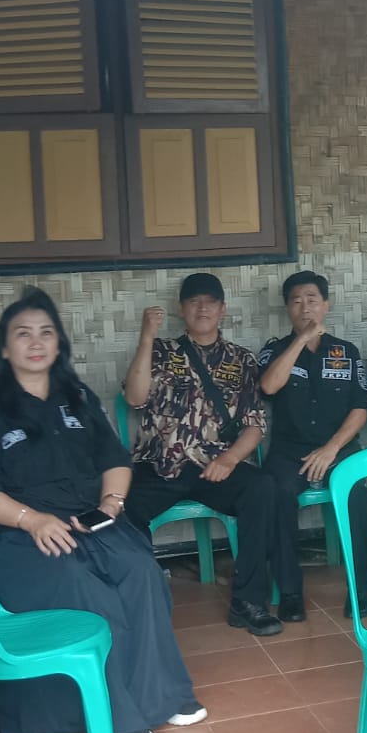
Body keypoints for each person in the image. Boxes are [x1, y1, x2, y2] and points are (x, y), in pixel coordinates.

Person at [0, 288, 203, 733]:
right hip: (19, 535)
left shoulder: (78, 397)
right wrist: (31, 520)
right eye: (22, 334)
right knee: (84, 589)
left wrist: (111, 503)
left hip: (87, 522)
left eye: (46, 332)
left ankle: (161, 696)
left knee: (140, 570)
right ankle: (111, 718)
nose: (36, 343)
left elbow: (114, 459)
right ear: (4, 347)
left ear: (59, 343)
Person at [121, 273, 282, 638]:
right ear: (182, 309)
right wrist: (146, 338)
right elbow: (134, 397)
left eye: (210, 302)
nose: (203, 308)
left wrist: (230, 460)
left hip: (214, 468)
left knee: (263, 488)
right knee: (121, 503)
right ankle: (143, 602)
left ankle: (248, 602)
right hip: (161, 465)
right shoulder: (159, 351)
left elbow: (254, 425)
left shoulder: (241, 359)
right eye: (194, 302)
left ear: (222, 309)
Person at [258, 271, 367, 623]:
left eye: (312, 300)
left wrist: (331, 449)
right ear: (287, 308)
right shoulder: (274, 351)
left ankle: (360, 588)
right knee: (275, 492)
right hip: (289, 452)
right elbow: (269, 387)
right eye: (296, 301)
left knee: (357, 493)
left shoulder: (346, 352)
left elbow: (360, 409)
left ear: (326, 305)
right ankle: (290, 592)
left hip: (338, 449)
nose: (305, 307)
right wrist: (301, 341)